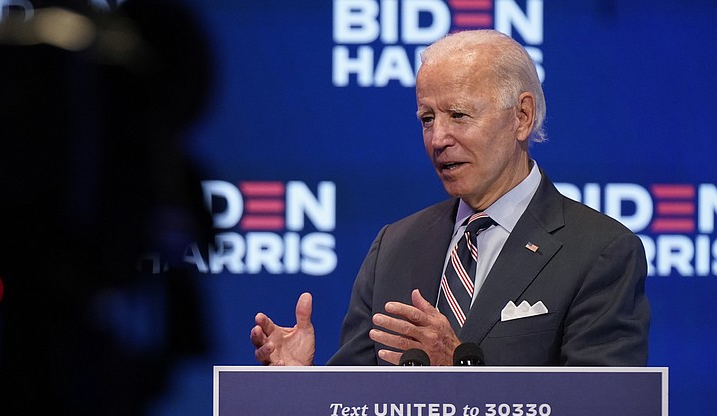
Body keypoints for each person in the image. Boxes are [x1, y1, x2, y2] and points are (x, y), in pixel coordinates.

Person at [251, 30, 649, 367]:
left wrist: (459, 365)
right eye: (427, 118)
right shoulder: (395, 245)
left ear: (522, 117)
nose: (438, 138)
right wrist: (299, 383)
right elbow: (356, 402)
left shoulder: (600, 251)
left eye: (458, 115)